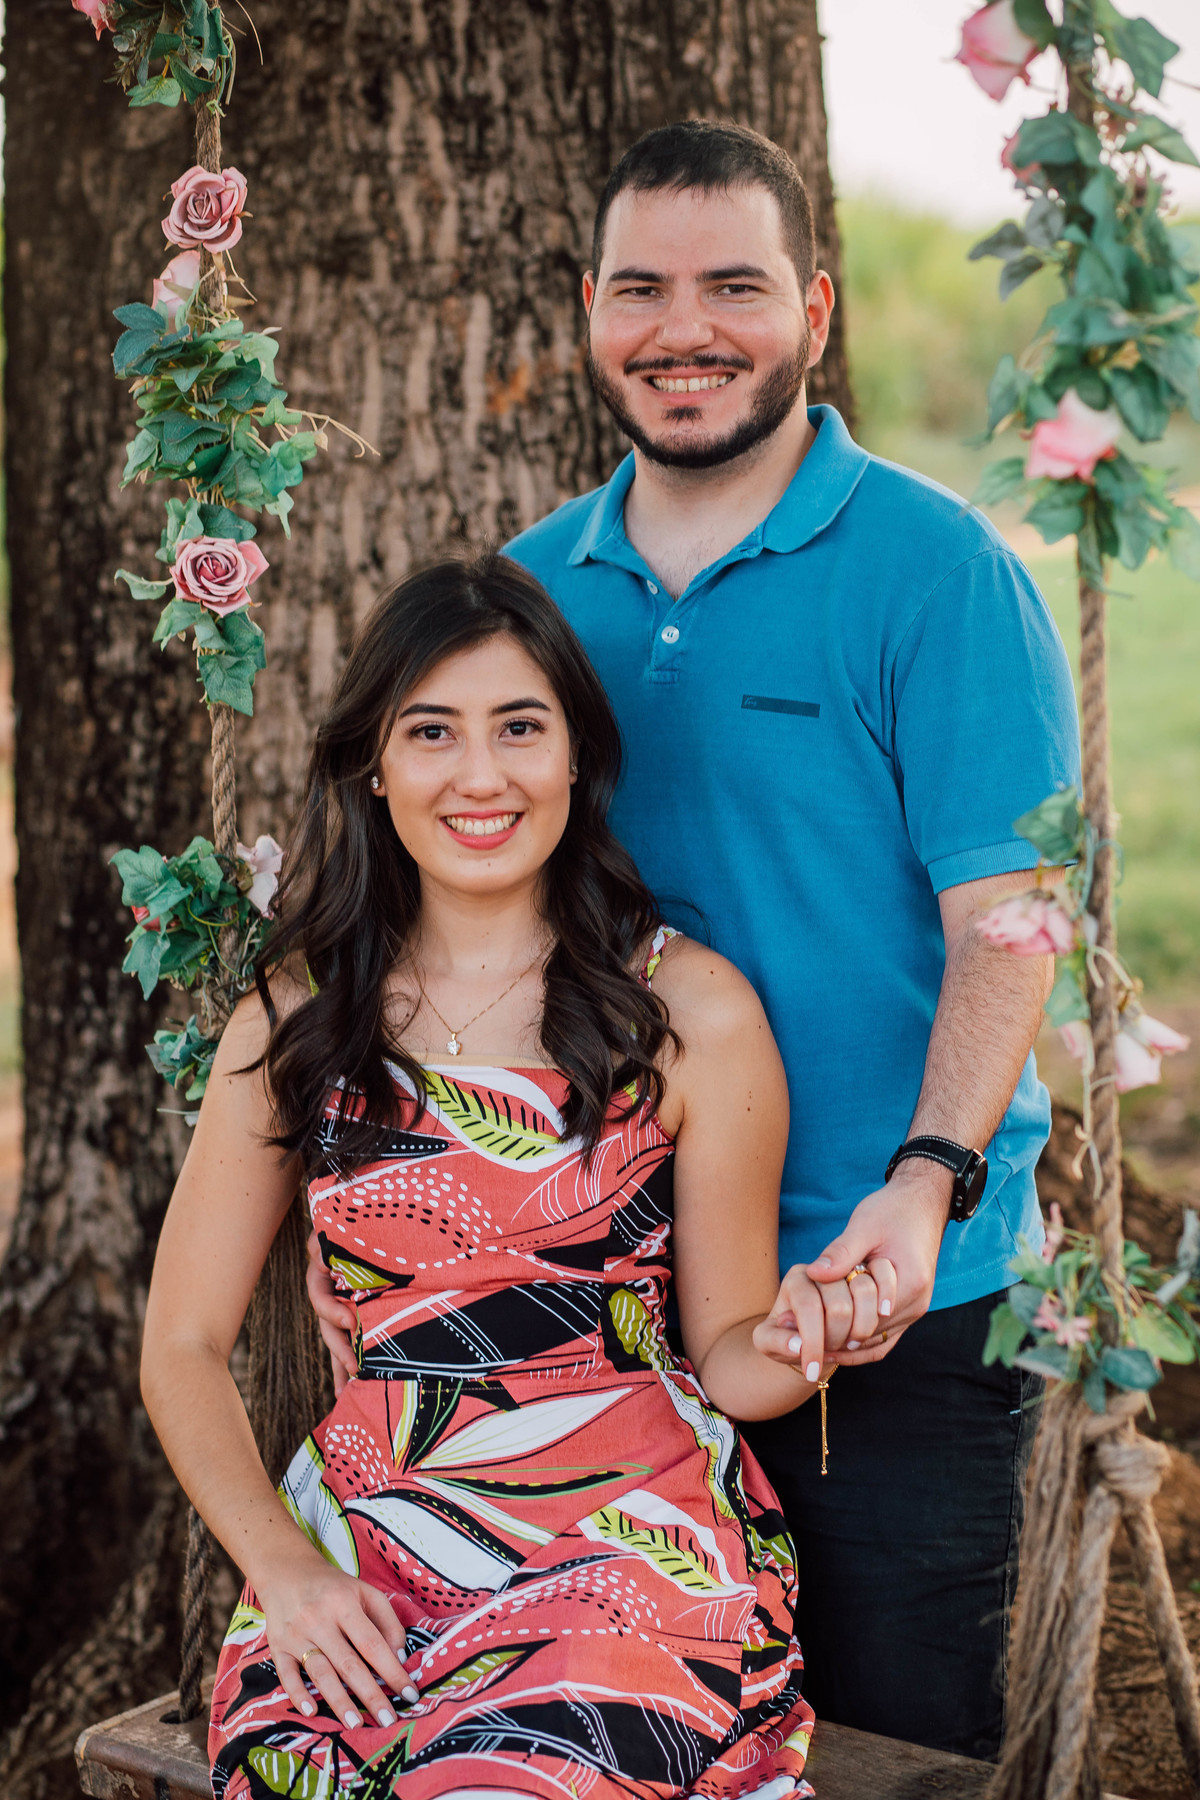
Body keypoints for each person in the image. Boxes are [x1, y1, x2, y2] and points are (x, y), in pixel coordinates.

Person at [302, 121, 1082, 1760]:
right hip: (609, 1325)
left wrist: (927, 1181)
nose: (685, 328)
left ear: (809, 308)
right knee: (614, 1745)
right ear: (590, 311)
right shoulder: (529, 598)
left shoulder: (938, 575)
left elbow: (1011, 917)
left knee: (901, 1747)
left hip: (892, 1298)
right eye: (641, 288)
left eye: (734, 285)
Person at [142, 553, 886, 1800]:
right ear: (375, 766)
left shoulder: (685, 1010)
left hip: (626, 1538)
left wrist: (821, 1333)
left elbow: (732, 1354)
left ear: (577, 758)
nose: (479, 776)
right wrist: (286, 1570)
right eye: (432, 732)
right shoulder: (301, 1016)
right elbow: (181, 1340)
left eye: (519, 728)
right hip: (371, 1543)